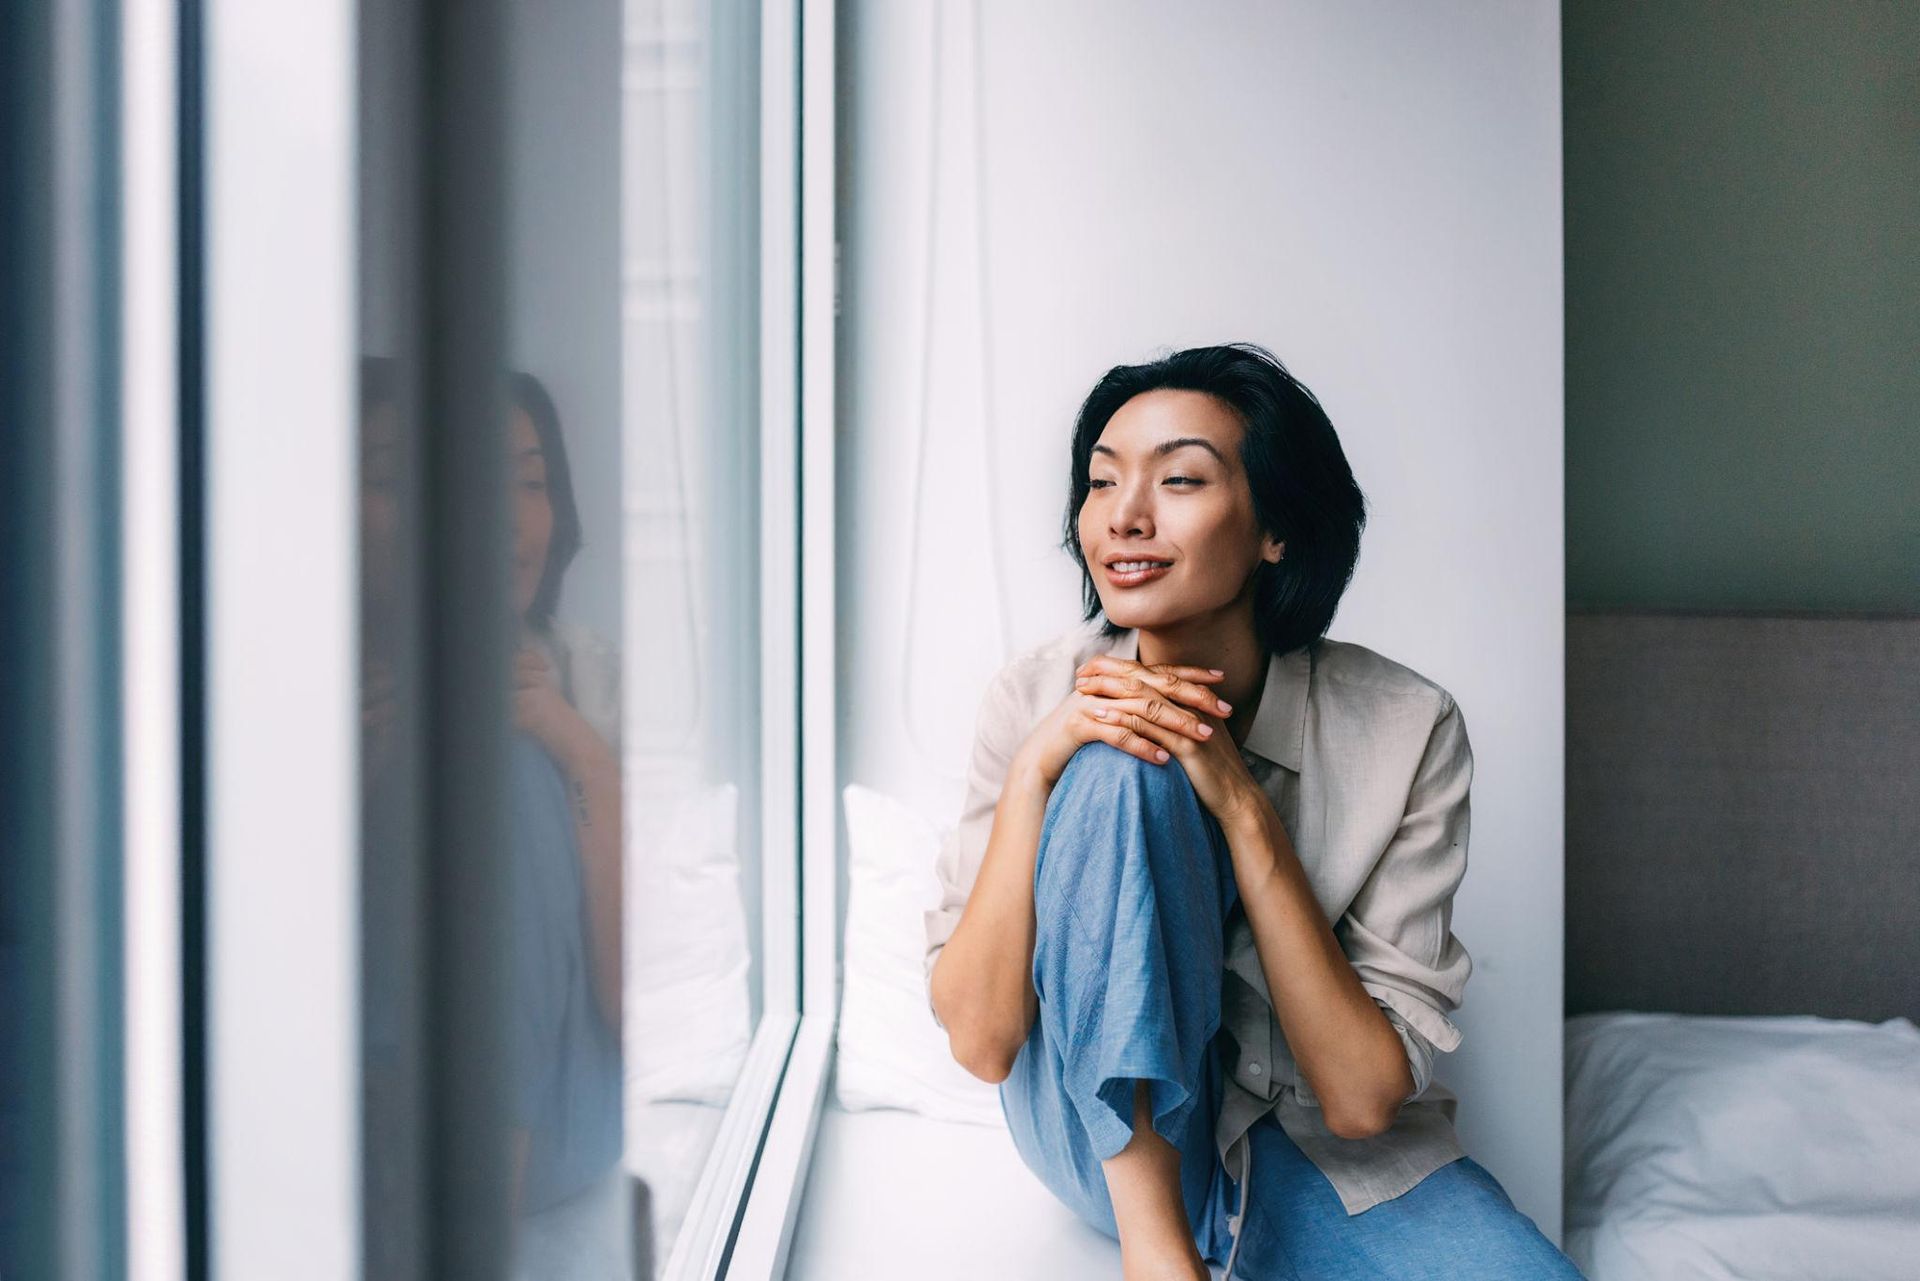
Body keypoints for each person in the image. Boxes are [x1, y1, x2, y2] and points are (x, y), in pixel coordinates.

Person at [923, 343, 1585, 1280]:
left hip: (1317, 1152)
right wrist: (1038, 770)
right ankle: (1160, 1257)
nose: (1125, 515)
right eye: (1102, 481)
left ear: (1274, 526)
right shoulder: (1030, 698)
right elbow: (983, 1040)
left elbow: (1360, 1103)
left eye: (1180, 477)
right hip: (1090, 1134)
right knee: (1123, 764)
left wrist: (1242, 806)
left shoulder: (1407, 728)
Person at [503, 369, 631, 1280]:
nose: (508, 518)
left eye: (531, 481)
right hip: (351, 1097)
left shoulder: (584, 673)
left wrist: (579, 753)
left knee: (508, 773)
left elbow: (635, 1007)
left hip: (558, 1101)